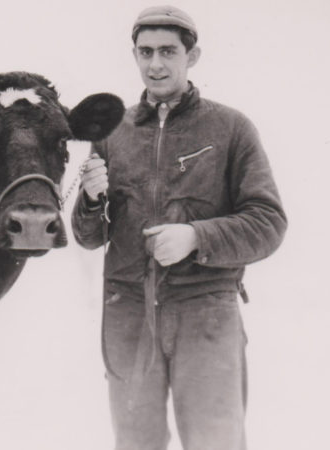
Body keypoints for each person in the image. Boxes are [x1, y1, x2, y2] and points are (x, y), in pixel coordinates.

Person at [71, 5, 287, 450]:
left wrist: (196, 237)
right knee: (135, 444)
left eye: (168, 51)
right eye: (144, 51)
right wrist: (91, 200)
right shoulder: (114, 132)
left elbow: (269, 222)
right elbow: (88, 237)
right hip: (128, 312)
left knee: (216, 441)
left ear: (194, 55)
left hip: (205, 311)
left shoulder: (231, 128)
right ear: (133, 55)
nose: (155, 64)